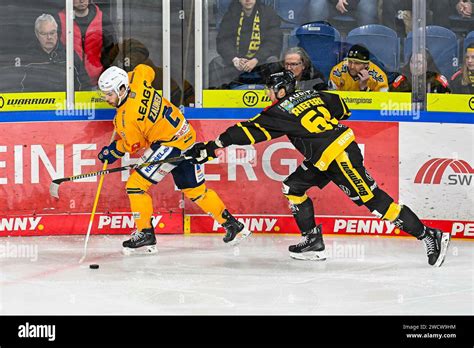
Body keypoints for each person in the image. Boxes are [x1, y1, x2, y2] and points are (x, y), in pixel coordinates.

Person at [184, 71, 451, 267]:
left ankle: (429, 235)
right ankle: (312, 239)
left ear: (280, 89)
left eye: (270, 89)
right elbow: (342, 109)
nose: (268, 93)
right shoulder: (314, 93)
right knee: (293, 186)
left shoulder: (279, 111)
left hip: (340, 156)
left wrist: (210, 147)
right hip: (325, 155)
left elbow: (243, 132)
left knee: (375, 202)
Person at [97, 64, 251, 254]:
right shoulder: (137, 80)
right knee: (195, 190)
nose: (106, 99)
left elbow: (134, 146)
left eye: (109, 94)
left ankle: (145, 232)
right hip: (185, 135)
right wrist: (128, 78)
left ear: (122, 88)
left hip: (169, 144)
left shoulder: (126, 118)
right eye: (104, 94)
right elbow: (146, 69)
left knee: (135, 186)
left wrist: (112, 151)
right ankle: (232, 225)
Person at [208, 0, 283, 88]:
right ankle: (220, 96)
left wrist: (256, 59)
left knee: (273, 61)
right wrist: (235, 59)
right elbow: (223, 40)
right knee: (216, 63)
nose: (247, 0)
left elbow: (274, 41)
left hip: (260, 62)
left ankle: (273, 96)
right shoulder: (231, 14)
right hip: (237, 63)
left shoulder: (268, 13)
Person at [58, 0, 118, 87]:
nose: (81, 1)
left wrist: (102, 70)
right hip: (69, 81)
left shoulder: (102, 19)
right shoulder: (60, 19)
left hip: (99, 81)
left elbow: (112, 49)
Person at [19, 14, 83, 92]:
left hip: (64, 103)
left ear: (57, 32)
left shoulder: (69, 55)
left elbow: (84, 84)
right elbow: (17, 87)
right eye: (44, 34)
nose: (49, 37)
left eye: (52, 33)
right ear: (36, 34)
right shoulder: (27, 58)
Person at [308, 0, 378, 27]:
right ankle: (315, 36)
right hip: (332, 5)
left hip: (357, 4)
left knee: (368, 6)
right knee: (317, 4)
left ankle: (366, 40)